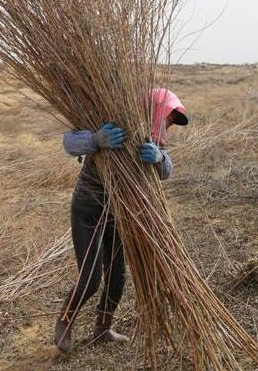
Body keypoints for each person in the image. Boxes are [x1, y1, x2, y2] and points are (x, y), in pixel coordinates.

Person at [54, 88, 189, 353]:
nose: (170, 123)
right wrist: (95, 139)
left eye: (173, 120)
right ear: (155, 110)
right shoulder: (111, 117)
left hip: (120, 212)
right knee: (91, 278)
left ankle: (102, 329)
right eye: (169, 117)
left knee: (117, 275)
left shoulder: (151, 139)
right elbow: (69, 143)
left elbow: (166, 171)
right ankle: (64, 324)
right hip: (89, 208)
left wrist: (160, 158)